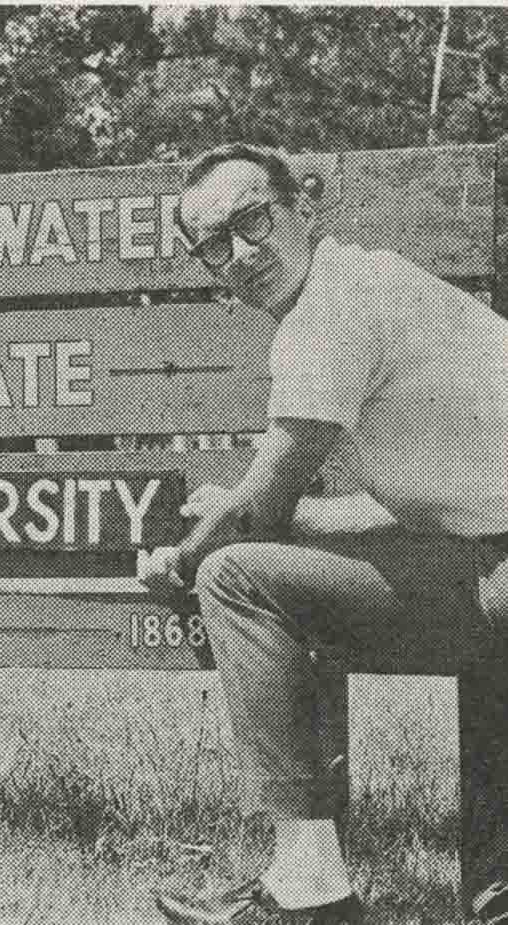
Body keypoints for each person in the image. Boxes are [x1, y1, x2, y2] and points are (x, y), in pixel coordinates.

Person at [139, 144, 508, 924]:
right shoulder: (370, 278)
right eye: (214, 243)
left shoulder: (329, 309)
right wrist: (298, 517)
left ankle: (308, 885)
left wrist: (179, 556)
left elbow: (259, 507)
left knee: (234, 574)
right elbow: (440, 505)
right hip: (486, 562)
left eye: (252, 221)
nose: (239, 254)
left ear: (302, 209)